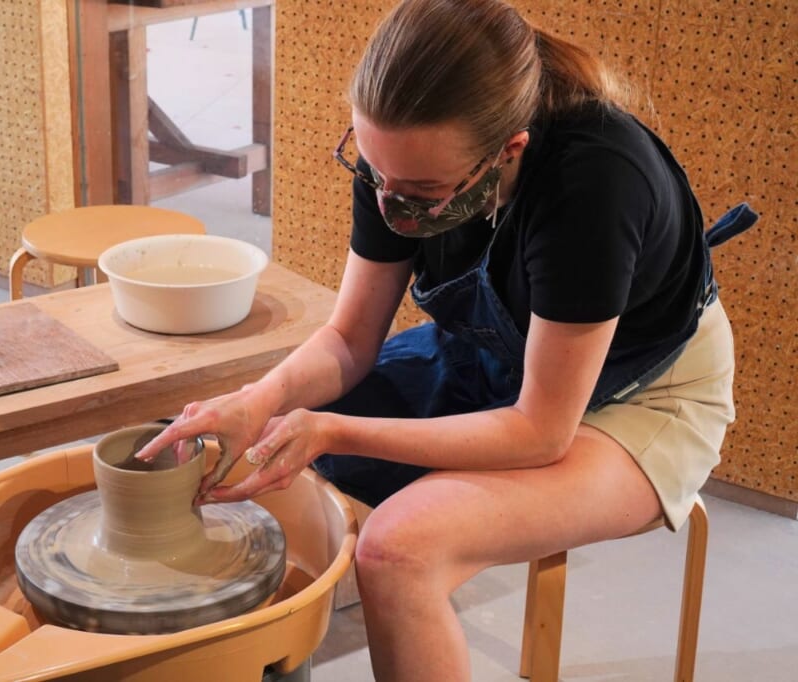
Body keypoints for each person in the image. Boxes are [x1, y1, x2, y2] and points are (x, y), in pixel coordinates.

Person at [135, 0, 755, 679]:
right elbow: (348, 340)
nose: (391, 204)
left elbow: (540, 432)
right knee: (250, 449)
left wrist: (334, 431)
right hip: (500, 360)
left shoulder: (597, 184)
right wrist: (259, 399)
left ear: (508, 152)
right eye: (378, 177)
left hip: (640, 402)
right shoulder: (397, 164)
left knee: (400, 549)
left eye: (421, 192)